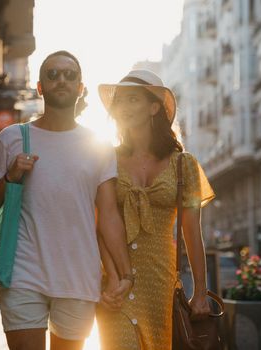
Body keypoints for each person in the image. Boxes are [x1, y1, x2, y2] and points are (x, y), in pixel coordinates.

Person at [0, 50, 133, 350]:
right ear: (40, 87)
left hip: (79, 276)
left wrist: (125, 274)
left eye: (70, 75)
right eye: (53, 74)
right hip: (22, 273)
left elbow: (109, 214)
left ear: (80, 87)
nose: (62, 79)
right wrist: (10, 177)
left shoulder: (98, 146)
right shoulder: (12, 138)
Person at [96, 70, 215, 350]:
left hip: (159, 281)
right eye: (120, 101)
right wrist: (111, 277)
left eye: (133, 99)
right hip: (114, 281)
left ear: (154, 107)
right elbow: (99, 221)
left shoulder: (183, 165)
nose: (123, 107)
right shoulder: (106, 159)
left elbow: (192, 233)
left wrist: (200, 291)